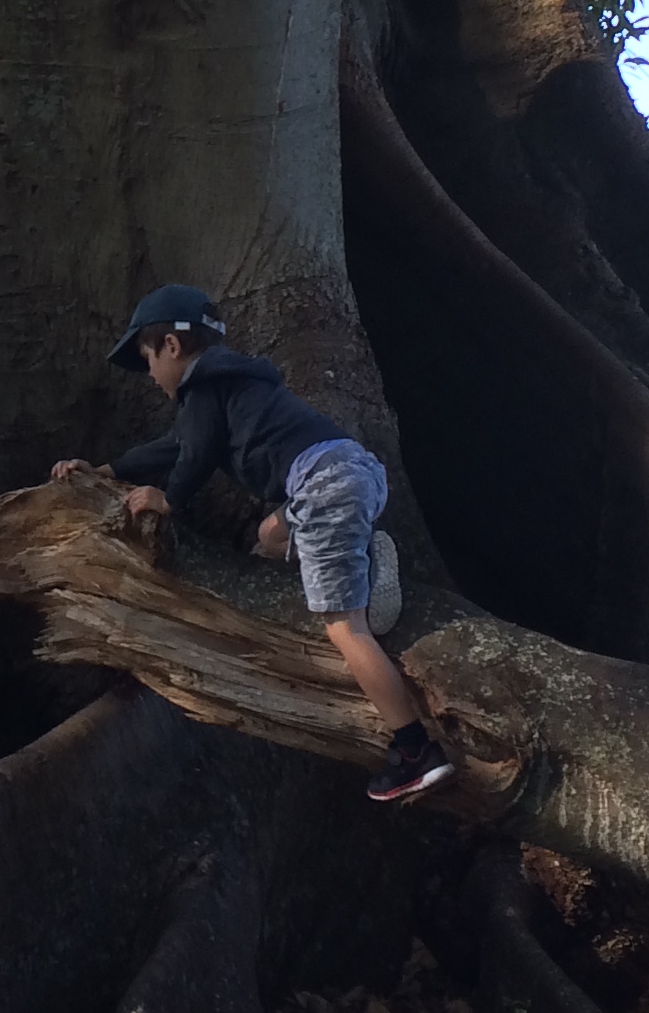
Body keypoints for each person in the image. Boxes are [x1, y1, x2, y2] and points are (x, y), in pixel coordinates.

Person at [51, 283, 455, 803]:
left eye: (148, 359)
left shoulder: (202, 389)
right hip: (346, 471)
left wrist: (169, 500)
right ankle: (361, 562)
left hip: (321, 487)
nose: (150, 376)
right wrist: (106, 470)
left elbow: (191, 460)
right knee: (268, 536)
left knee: (344, 629)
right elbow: (175, 446)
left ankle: (416, 751)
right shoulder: (229, 384)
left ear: (172, 348)